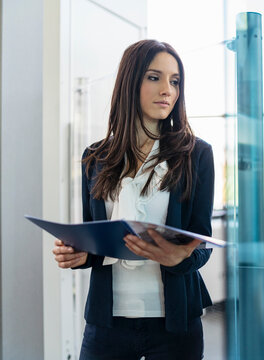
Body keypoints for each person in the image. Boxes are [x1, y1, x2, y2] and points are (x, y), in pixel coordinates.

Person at [51, 39, 214, 360]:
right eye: (154, 77)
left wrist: (177, 258)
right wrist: (79, 254)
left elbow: (202, 243)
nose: (167, 89)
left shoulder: (197, 154)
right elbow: (96, 240)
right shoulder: (95, 158)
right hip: (107, 323)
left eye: (175, 81)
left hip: (175, 324)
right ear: (130, 82)